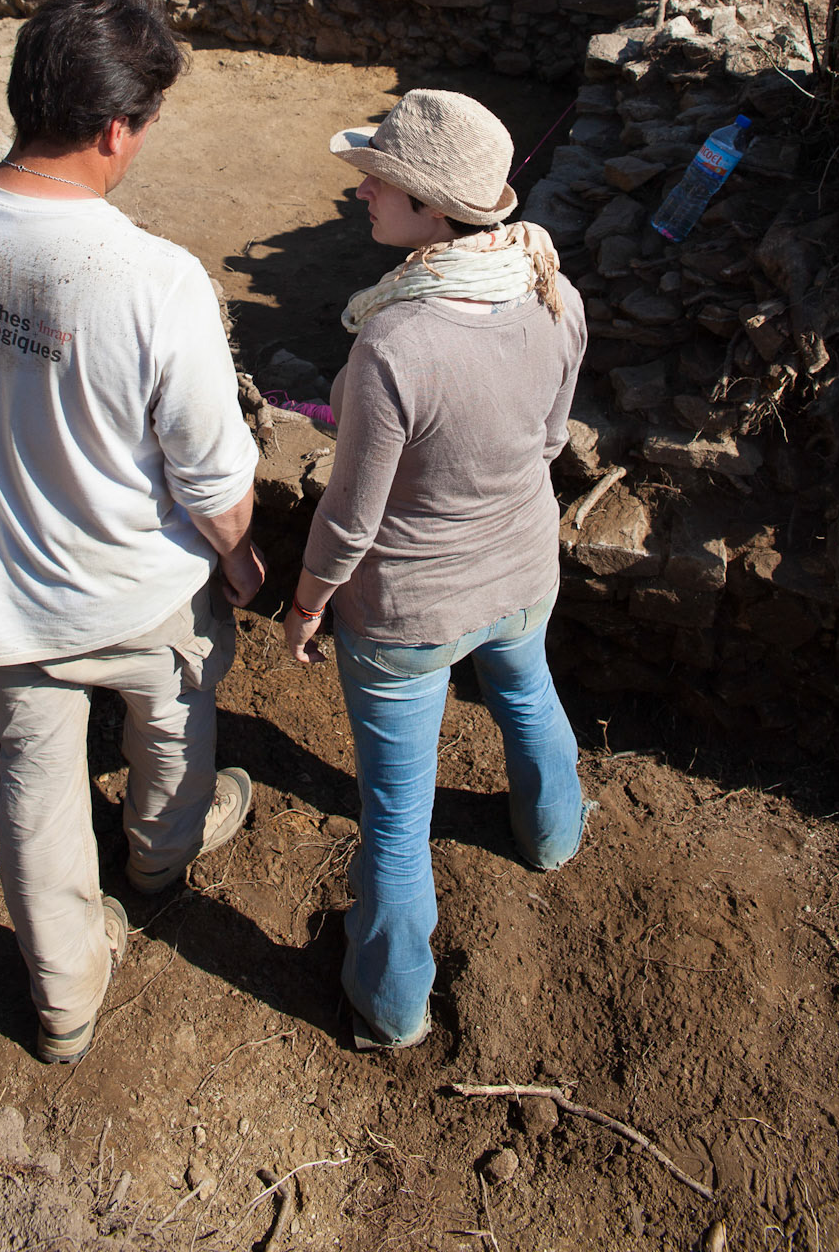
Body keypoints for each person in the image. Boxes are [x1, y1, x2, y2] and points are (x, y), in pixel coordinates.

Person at [0, 0, 264, 1064]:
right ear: (117, 126)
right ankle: (160, 859)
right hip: (140, 592)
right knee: (174, 728)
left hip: (0, 602)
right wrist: (243, 560)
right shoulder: (152, 279)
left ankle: (65, 991)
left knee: (33, 780)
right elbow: (214, 476)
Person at [282, 88, 590, 1050]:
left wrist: (305, 604)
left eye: (383, 181)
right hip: (522, 568)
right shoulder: (549, 283)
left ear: (431, 212)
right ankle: (550, 839)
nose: (363, 189)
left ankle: (390, 1003)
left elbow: (351, 515)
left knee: (394, 819)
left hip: (409, 610)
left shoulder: (395, 340)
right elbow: (549, 439)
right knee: (528, 697)